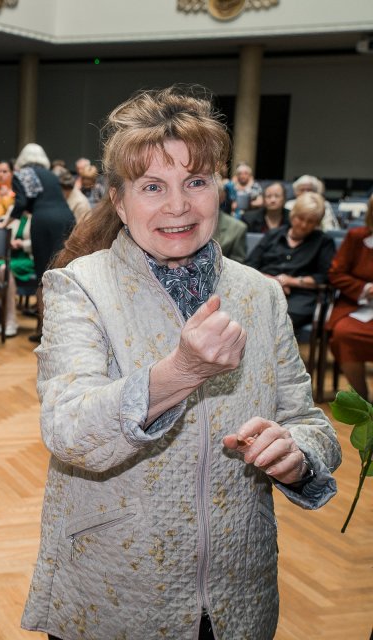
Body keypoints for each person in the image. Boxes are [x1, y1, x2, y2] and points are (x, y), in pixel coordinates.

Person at [22, 86, 340, 640]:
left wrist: (299, 455)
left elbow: (307, 419)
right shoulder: (81, 287)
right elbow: (67, 428)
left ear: (219, 189)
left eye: (195, 181)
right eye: (152, 187)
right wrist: (182, 371)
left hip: (240, 589)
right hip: (117, 590)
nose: (178, 205)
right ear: (119, 203)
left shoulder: (261, 293)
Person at [9, 143, 75, 342]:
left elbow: (21, 203)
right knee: (63, 270)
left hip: (44, 222)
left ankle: (43, 329)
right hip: (66, 218)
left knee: (43, 275)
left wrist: (6, 221)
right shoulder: (51, 175)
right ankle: (64, 327)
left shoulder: (23, 174)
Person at [246, 192, 336, 333]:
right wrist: (274, 282)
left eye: (311, 221)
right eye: (301, 218)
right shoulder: (273, 235)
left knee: (279, 322)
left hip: (300, 296)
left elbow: (325, 277)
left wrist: (291, 281)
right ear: (293, 214)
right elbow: (249, 265)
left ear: (317, 223)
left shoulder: (324, 242)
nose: (304, 224)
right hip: (264, 288)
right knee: (246, 314)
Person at [325, 194, 373, 400]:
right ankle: (364, 400)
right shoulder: (356, 237)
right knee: (343, 334)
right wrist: (365, 289)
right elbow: (336, 273)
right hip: (358, 306)